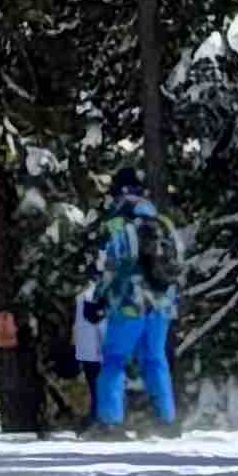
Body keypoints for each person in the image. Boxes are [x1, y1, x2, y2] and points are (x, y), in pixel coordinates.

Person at [89, 171, 179, 435]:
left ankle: (110, 422)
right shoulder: (162, 221)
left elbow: (114, 264)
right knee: (154, 358)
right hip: (162, 302)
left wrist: (99, 297)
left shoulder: (119, 221)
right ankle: (167, 421)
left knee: (115, 358)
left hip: (130, 300)